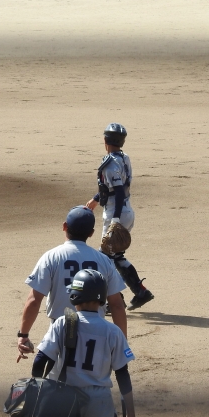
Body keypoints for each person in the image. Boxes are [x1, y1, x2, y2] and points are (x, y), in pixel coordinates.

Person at [32, 269, 138, 417]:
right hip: (100, 402)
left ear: (74, 295)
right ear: (102, 298)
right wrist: (130, 415)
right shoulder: (113, 331)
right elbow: (123, 375)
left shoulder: (63, 323)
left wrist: (37, 393)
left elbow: (40, 360)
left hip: (67, 400)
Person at [17, 205, 127, 362]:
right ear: (91, 233)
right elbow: (117, 305)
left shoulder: (51, 257)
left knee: (56, 374)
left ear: (64, 226)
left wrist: (23, 334)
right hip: (97, 333)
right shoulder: (104, 261)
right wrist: (122, 344)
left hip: (60, 332)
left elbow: (34, 300)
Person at [86, 123, 154, 311]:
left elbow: (118, 191)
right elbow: (119, 187)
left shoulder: (109, 165)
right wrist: (96, 199)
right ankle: (140, 292)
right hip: (127, 211)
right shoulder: (124, 158)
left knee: (104, 259)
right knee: (116, 256)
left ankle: (115, 300)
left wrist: (114, 220)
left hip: (115, 214)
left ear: (105, 140)